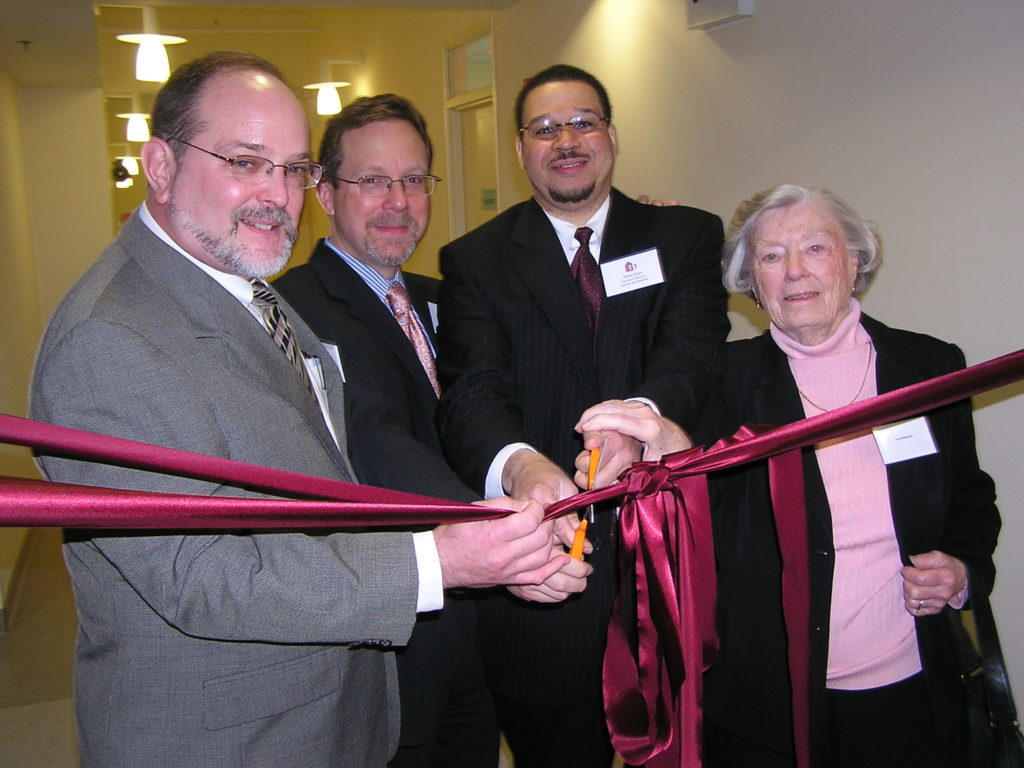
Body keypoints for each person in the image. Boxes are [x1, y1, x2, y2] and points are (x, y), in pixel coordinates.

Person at [29, 52, 573, 768]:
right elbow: (201, 575)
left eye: (290, 169)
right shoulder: (111, 336)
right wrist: (437, 558)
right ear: (159, 166)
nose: (276, 194)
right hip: (227, 735)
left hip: (325, 705)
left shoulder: (245, 285)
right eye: (245, 162)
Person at [576, 184, 1002, 767]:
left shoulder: (928, 367)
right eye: (772, 256)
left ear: (856, 261)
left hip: (912, 690)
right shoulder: (722, 381)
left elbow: (971, 500)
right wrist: (653, 452)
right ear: (752, 281)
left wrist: (963, 570)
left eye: (816, 249)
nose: (795, 271)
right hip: (769, 705)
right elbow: (693, 492)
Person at [276, 94, 592, 767]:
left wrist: (631, 242)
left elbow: (541, 355)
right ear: (326, 194)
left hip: (476, 638)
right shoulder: (295, 309)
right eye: (373, 181)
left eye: (414, 180)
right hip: (393, 644)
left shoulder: (446, 293)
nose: (398, 201)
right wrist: (498, 532)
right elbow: (372, 435)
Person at [435, 63, 730, 766]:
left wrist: (639, 424)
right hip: (545, 595)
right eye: (543, 128)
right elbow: (471, 392)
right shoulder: (475, 260)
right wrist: (525, 466)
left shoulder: (684, 236)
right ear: (519, 150)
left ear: (612, 136)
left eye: (582, 121)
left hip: (667, 577)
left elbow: (690, 353)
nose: (564, 139)